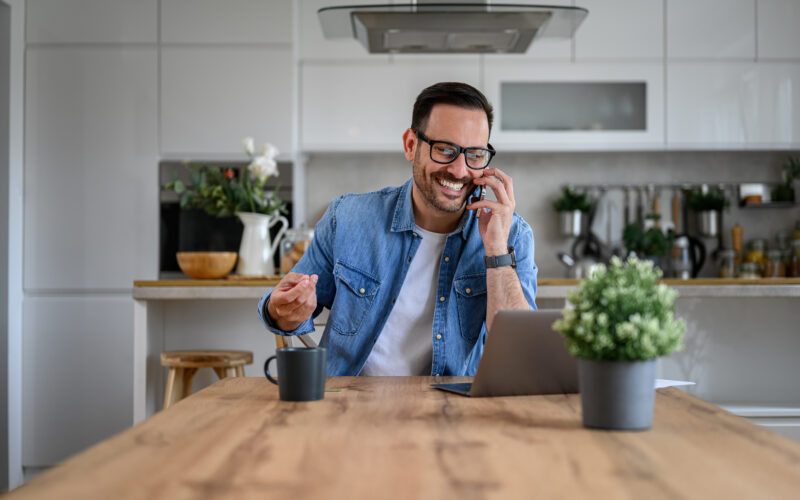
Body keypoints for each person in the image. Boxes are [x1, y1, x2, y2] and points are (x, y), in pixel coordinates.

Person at [258, 82, 537, 376]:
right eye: (445, 150)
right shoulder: (347, 218)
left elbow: (520, 350)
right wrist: (283, 310)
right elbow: (289, 312)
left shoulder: (511, 235)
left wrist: (496, 251)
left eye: (475, 155)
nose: (459, 170)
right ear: (410, 145)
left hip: (452, 411)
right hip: (347, 408)